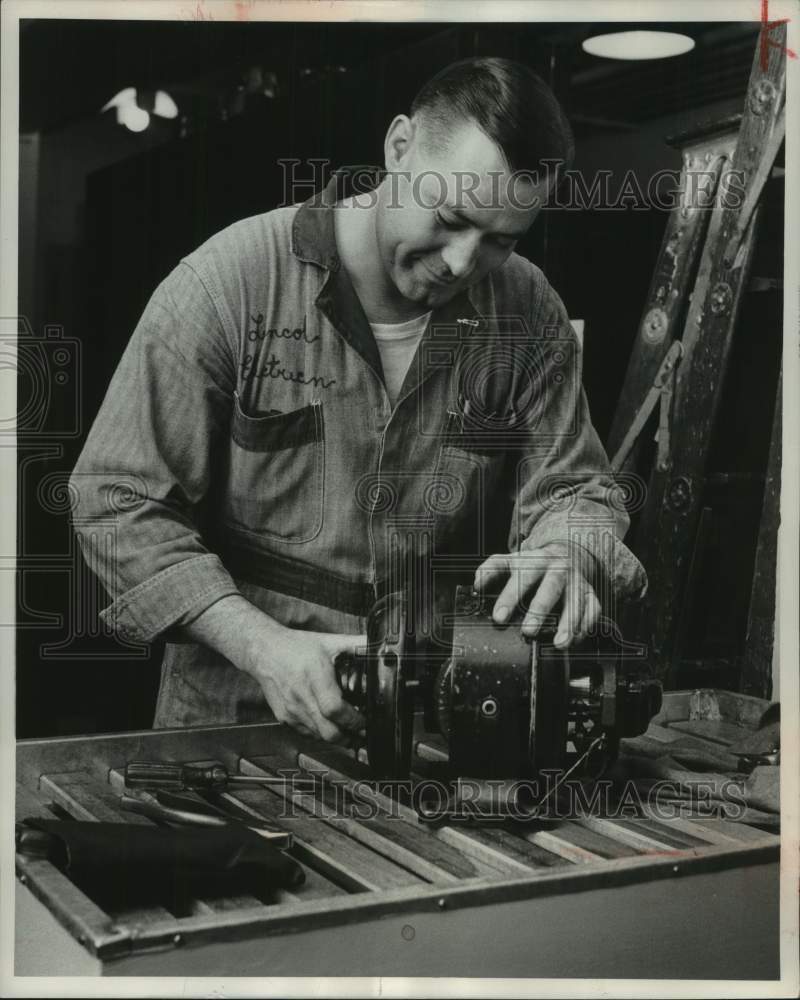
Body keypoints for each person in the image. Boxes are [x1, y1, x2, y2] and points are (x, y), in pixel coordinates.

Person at [70, 57, 646, 742]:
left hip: (433, 735)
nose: (463, 263)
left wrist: (570, 553)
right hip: (234, 732)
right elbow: (119, 501)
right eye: (451, 217)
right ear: (398, 146)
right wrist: (261, 645)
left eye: (500, 240)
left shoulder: (526, 312)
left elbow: (574, 489)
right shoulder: (228, 287)